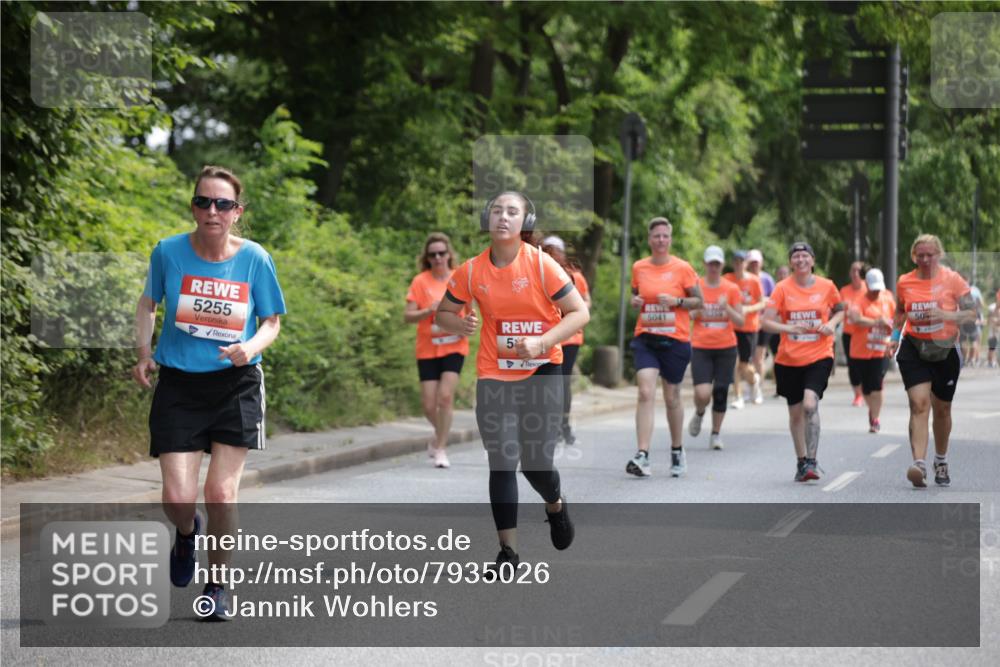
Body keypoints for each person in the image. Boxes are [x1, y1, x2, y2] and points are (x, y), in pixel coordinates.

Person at [133, 165, 285, 621]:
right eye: (204, 201)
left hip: (235, 385)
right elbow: (148, 303)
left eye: (223, 204)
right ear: (193, 207)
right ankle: (185, 533)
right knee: (179, 497)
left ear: (237, 212)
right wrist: (144, 351)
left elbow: (272, 322)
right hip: (179, 383)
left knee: (221, 493)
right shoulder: (168, 252)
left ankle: (217, 585)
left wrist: (249, 347)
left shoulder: (255, 258)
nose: (212, 210)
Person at [436, 192, 589, 568]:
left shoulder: (541, 266)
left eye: (512, 211)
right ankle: (508, 552)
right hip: (494, 374)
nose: (502, 217)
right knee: (501, 460)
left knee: (536, 465)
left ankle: (555, 504)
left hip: (542, 370)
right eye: (497, 210)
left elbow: (578, 313)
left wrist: (542, 341)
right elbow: (443, 314)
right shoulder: (471, 271)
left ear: (525, 222)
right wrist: (461, 322)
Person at [892, 234, 976, 488]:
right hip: (914, 347)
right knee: (919, 404)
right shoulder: (905, 281)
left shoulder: (953, 280)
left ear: (939, 255)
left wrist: (945, 314)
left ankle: (941, 460)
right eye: (920, 255)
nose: (925, 259)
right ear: (914, 256)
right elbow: (899, 311)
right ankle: (919, 463)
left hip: (945, 350)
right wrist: (894, 337)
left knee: (942, 409)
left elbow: (972, 313)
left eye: (930, 254)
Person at [625, 217, 703, 478]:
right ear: (649, 239)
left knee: (672, 397)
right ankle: (643, 454)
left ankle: (677, 449)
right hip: (646, 337)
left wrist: (677, 300)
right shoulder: (639, 267)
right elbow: (636, 294)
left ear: (670, 240)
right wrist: (635, 300)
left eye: (664, 236)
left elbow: (698, 302)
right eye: (656, 236)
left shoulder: (682, 268)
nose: (660, 240)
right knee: (646, 391)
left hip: (675, 340)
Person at [762, 241, 844, 482]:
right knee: (796, 413)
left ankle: (812, 460)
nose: (800, 260)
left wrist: (830, 324)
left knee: (810, 405)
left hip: (819, 355)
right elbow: (765, 322)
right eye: (795, 256)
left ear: (812, 261)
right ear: (791, 262)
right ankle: (801, 462)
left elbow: (840, 310)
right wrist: (788, 327)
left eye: (804, 256)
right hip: (788, 359)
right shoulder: (782, 288)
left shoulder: (827, 286)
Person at [405, 233, 469, 469]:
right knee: (429, 406)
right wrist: (427, 311)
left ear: (449, 254)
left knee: (445, 397)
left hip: (454, 346)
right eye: (433, 254)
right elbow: (407, 316)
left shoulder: (458, 278)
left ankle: (440, 448)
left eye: (442, 253)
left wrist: (465, 325)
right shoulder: (420, 281)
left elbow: (472, 310)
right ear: (427, 258)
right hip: (428, 348)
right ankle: (441, 434)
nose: (438, 258)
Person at [689, 246, 744, 450]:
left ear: (721, 265)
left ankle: (715, 433)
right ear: (704, 264)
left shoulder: (731, 289)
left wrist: (726, 308)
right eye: (710, 263)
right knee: (703, 393)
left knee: (721, 391)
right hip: (701, 346)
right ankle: (700, 412)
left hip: (726, 347)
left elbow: (740, 320)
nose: (713, 267)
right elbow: (686, 315)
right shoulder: (697, 286)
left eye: (717, 264)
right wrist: (696, 312)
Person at [541, 235, 591, 446]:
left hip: (570, 336)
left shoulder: (574, 276)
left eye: (555, 250)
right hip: (547, 336)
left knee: (562, 381)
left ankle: (564, 425)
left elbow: (586, 301)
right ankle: (549, 426)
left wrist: (575, 311)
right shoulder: (539, 273)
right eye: (547, 250)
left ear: (562, 253)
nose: (552, 254)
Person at [846, 268, 896, 433]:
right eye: (872, 288)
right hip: (860, 351)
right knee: (866, 388)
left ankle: (875, 418)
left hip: (881, 350)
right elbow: (856, 319)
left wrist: (893, 336)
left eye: (878, 289)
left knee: (877, 384)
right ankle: (872, 409)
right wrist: (877, 321)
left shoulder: (887, 297)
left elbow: (896, 318)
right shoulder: (858, 301)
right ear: (866, 285)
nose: (875, 292)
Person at [724, 249, 765, 409]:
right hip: (731, 326)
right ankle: (738, 396)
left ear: (746, 263)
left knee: (744, 365)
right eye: (736, 261)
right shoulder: (727, 279)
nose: (738, 264)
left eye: (741, 261)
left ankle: (754, 381)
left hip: (749, 327)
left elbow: (762, 302)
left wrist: (748, 309)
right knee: (733, 363)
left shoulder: (754, 281)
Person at [840, 261, 868, 407]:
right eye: (853, 270)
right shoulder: (844, 291)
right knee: (853, 365)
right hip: (849, 333)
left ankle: (868, 389)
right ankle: (858, 394)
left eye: (859, 270)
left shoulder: (869, 289)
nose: (856, 273)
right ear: (850, 273)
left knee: (867, 364)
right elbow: (837, 311)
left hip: (865, 332)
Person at [747, 249, 775, 389]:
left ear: (761, 263)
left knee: (759, 357)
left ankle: (758, 388)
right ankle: (750, 385)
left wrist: (762, 301)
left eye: (756, 263)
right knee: (746, 359)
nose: (754, 266)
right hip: (747, 324)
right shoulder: (743, 279)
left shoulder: (767, 279)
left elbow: (775, 300)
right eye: (751, 263)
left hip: (763, 322)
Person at [958, 276, 985, 368]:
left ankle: (965, 359)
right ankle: (973, 360)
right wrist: (979, 315)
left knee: (963, 339)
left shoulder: (958, 290)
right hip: (974, 317)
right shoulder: (975, 290)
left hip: (963, 318)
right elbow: (981, 304)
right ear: (968, 281)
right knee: (974, 339)